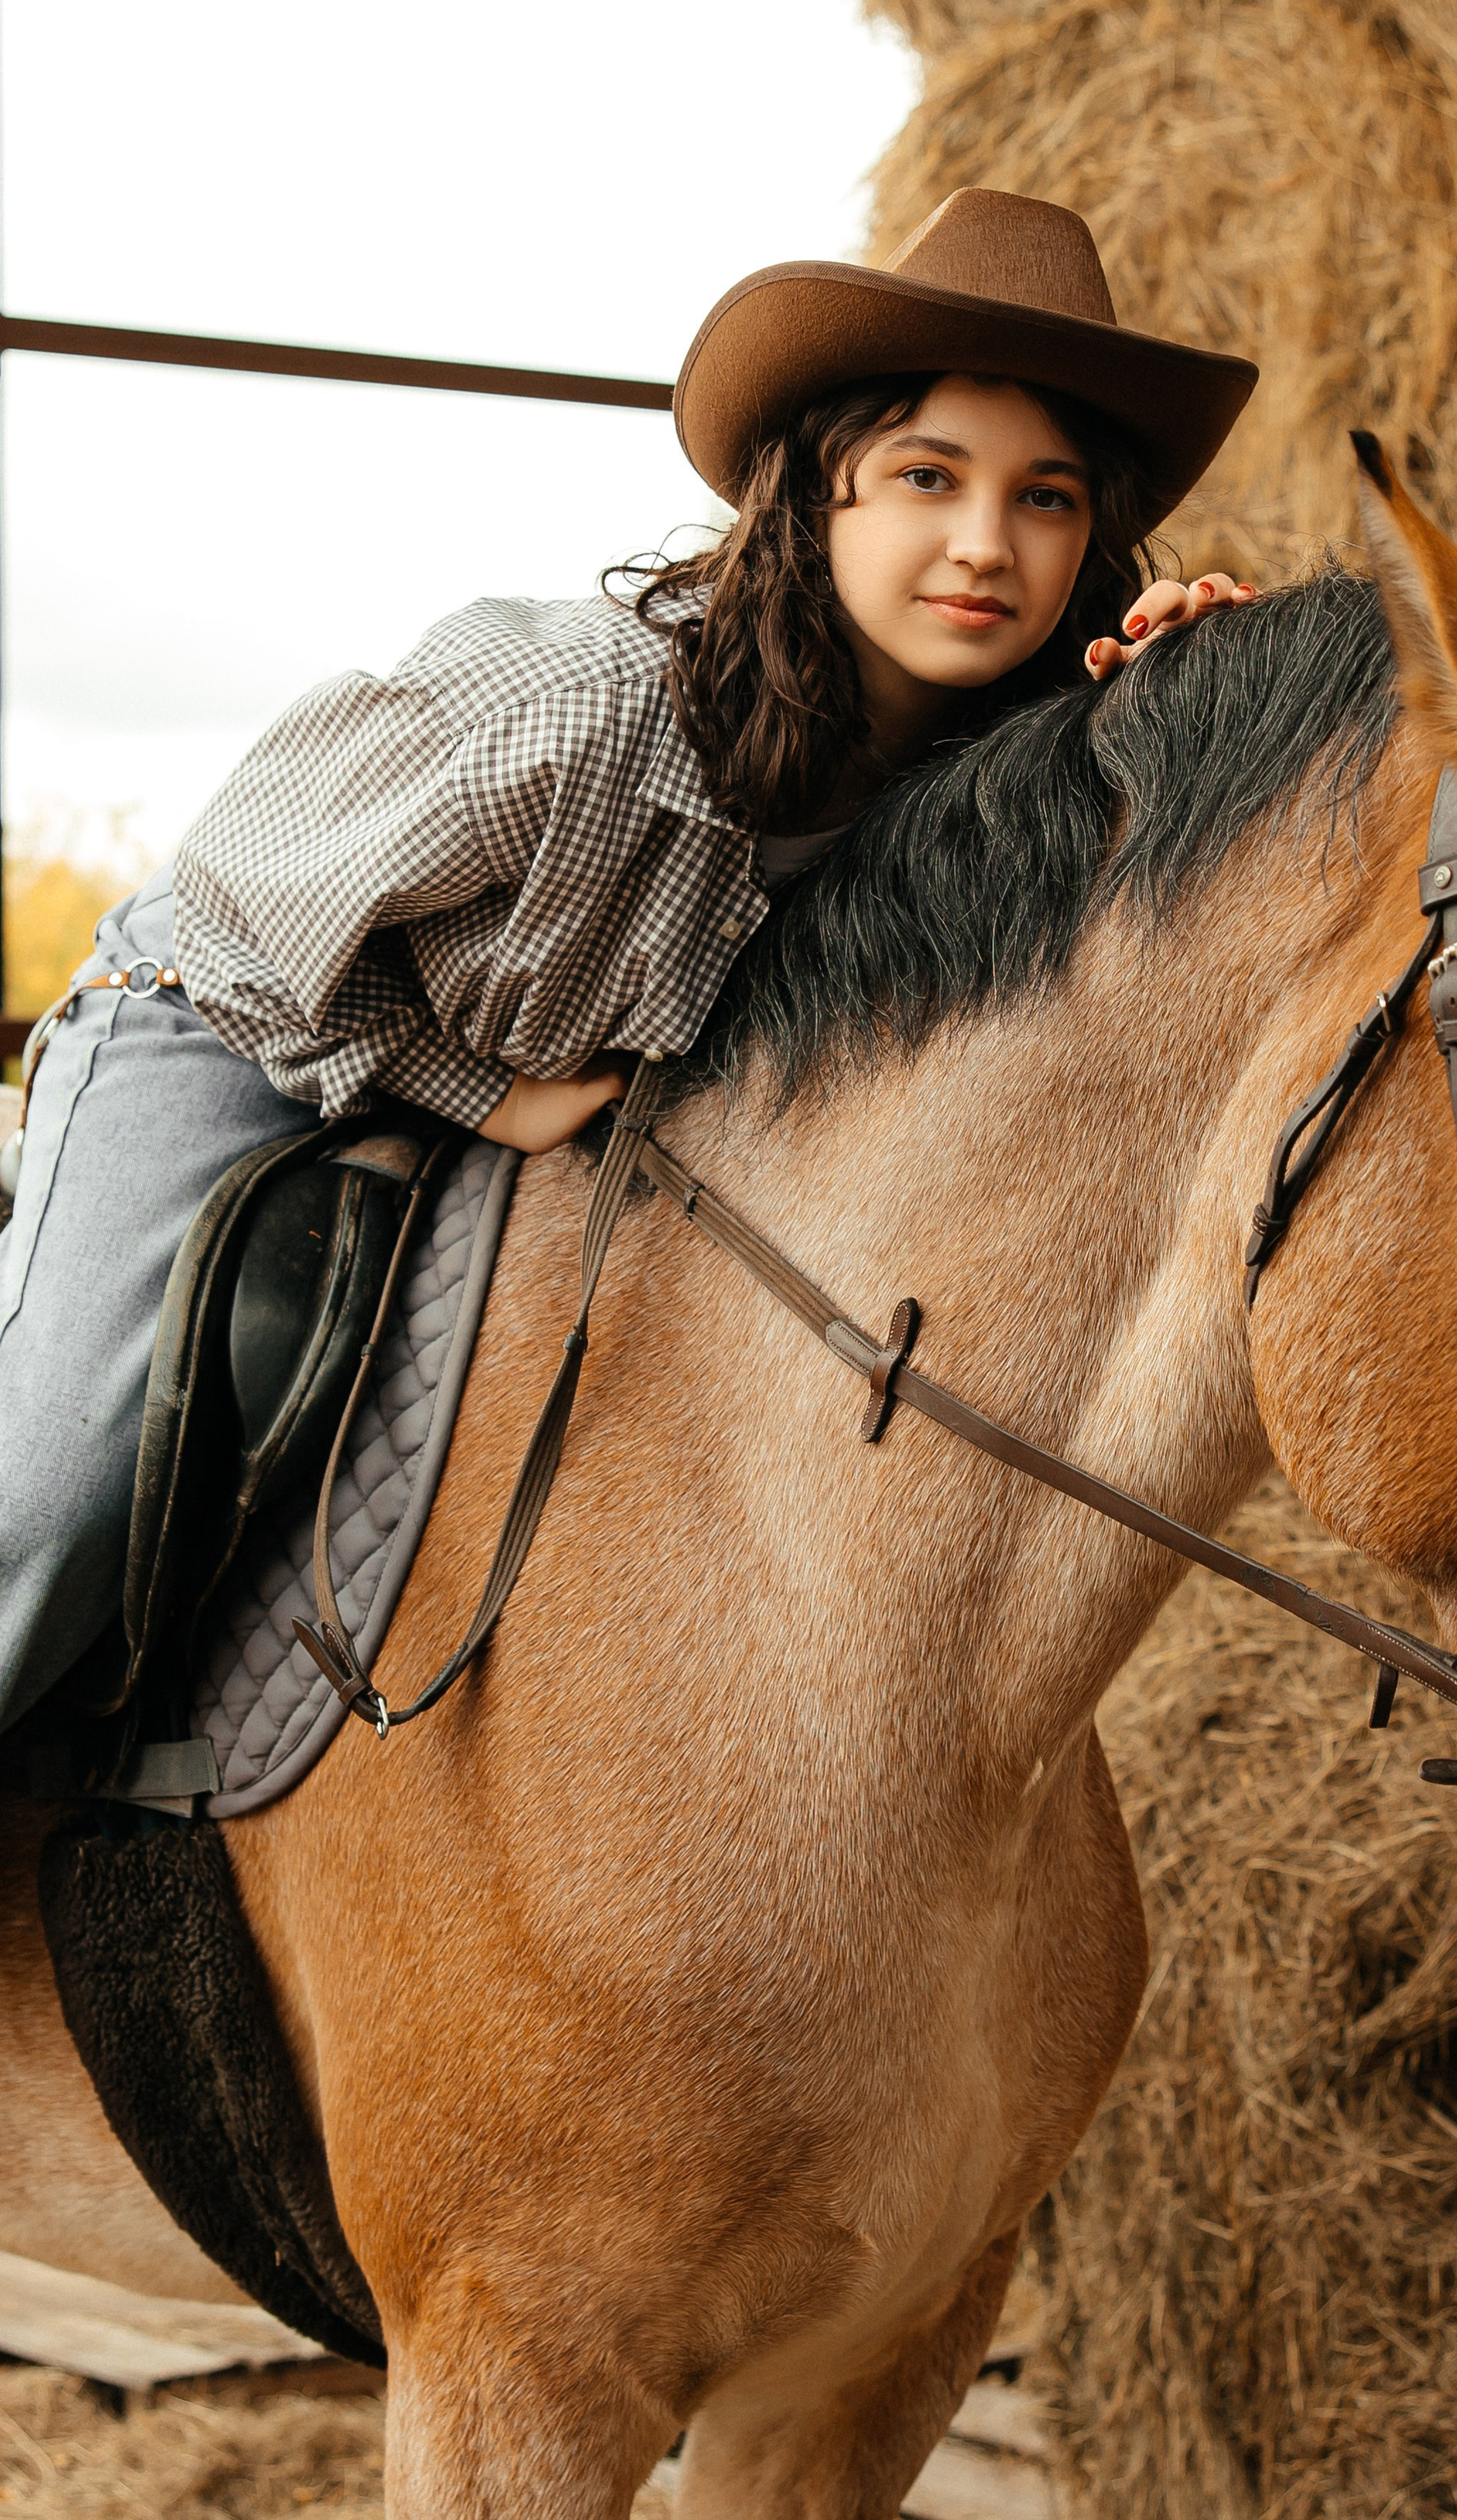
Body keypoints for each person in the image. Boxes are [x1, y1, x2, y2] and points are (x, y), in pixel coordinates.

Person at [0, 189, 1259, 1734]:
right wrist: (482, 1094)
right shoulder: (579, 701)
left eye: (1046, 499)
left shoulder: (1003, 782)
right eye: (927, 476)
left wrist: (1184, 727)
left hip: (580, 1097)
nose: (986, 545)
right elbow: (244, 915)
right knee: (52, 1499)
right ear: (813, 494)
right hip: (245, 1020)